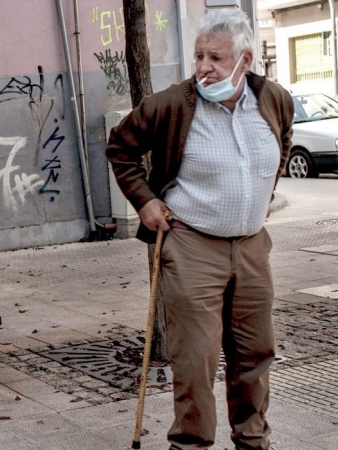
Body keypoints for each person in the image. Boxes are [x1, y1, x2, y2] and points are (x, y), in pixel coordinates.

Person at [106, 9, 292, 450]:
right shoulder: (172, 103)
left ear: (245, 61)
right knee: (195, 361)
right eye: (199, 56)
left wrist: (260, 198)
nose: (205, 67)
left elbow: (282, 142)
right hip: (191, 246)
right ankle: (191, 444)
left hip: (251, 246)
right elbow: (121, 147)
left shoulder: (274, 99)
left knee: (254, 354)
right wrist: (147, 201)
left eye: (217, 58)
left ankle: (252, 440)